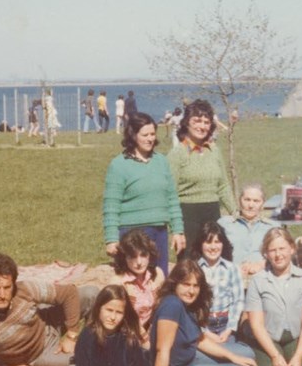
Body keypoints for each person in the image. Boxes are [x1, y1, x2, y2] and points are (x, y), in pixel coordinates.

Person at [0, 253, 97, 366]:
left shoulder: (24, 289)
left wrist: (72, 334)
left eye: (7, 287)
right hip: (39, 354)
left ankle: (99, 340)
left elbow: (69, 293)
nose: (2, 294)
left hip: (49, 321)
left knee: (92, 294)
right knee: (88, 361)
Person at [70, 285, 179, 366]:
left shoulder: (127, 334)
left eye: (119, 312)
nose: (113, 317)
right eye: (109, 310)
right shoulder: (88, 336)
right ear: (98, 308)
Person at [151, 259, 259, 366]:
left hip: (191, 356)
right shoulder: (171, 305)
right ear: (175, 284)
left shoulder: (188, 305)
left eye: (195, 286)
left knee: (247, 353)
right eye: (186, 284)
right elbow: (162, 349)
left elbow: (199, 340)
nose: (191, 291)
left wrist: (233, 357)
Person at [103, 112, 185, 277]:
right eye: (145, 135)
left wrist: (178, 231)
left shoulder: (161, 161)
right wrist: (111, 239)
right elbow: (111, 205)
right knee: (134, 284)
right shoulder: (119, 165)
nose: (150, 139)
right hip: (132, 235)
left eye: (153, 134)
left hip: (159, 232)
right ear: (133, 135)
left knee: (160, 281)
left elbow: (172, 199)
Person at [241, 228, 302, 366]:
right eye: (272, 250)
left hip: (295, 336)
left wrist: (299, 356)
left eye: (282, 248)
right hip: (268, 336)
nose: (278, 254)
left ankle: (291, 355)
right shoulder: (258, 280)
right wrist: (275, 356)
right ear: (266, 254)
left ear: (292, 249)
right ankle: (273, 354)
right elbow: (256, 325)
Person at [167, 99, 235, 253]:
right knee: (190, 268)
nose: (202, 126)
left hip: (212, 214)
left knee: (216, 262)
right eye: (197, 121)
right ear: (187, 123)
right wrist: (176, 230)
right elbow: (169, 195)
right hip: (187, 216)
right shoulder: (177, 154)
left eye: (206, 122)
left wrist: (235, 213)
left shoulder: (214, 151)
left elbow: (223, 185)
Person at [192, 222, 255, 357]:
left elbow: (238, 301)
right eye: (208, 242)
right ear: (200, 244)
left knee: (243, 354)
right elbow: (192, 306)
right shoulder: (194, 269)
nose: (213, 247)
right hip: (203, 326)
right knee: (207, 354)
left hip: (225, 325)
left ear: (223, 244)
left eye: (217, 242)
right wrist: (205, 332)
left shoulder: (232, 269)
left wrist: (228, 330)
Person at [111, 229, 166, 348]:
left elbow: (162, 306)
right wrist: (145, 339)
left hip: (150, 330)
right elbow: (121, 319)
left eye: (143, 255)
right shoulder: (118, 282)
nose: (139, 262)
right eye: (132, 257)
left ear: (149, 255)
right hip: (125, 334)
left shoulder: (157, 275)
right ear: (124, 258)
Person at [218, 183, 276, 278]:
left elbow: (281, 255)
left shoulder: (272, 227)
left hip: (263, 278)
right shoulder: (224, 224)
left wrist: (262, 265)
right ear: (239, 201)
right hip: (231, 277)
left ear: (263, 204)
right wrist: (234, 268)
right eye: (247, 200)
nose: (251, 205)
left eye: (256, 201)